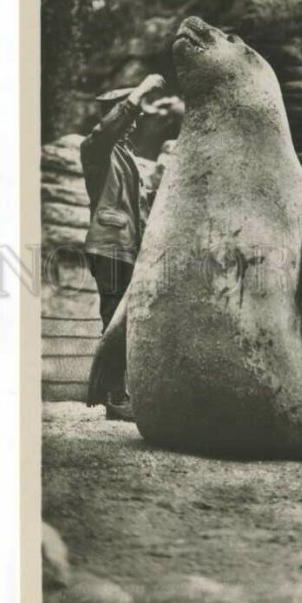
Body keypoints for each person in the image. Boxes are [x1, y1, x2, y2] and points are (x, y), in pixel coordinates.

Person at [81, 73, 170, 420]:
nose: (135, 123)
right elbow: (109, 129)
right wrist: (143, 89)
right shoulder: (97, 148)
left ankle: (117, 394)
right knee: (115, 320)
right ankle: (114, 398)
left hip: (127, 249)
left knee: (125, 321)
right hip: (110, 248)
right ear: (113, 114)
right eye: (129, 116)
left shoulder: (123, 155)